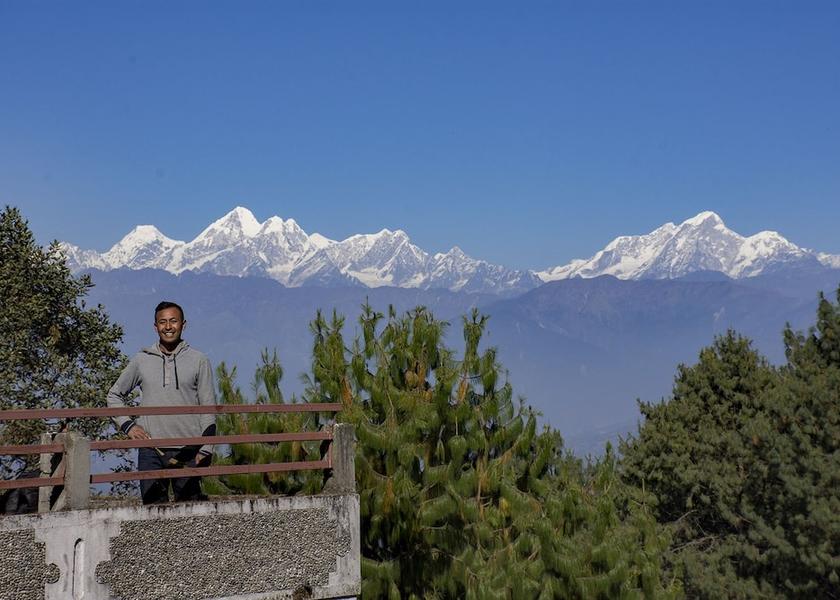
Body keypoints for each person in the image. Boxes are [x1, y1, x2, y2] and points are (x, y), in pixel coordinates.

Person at [106, 301, 217, 504]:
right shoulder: (141, 360)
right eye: (162, 322)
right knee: (152, 515)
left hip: (190, 450)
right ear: (155, 326)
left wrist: (207, 448)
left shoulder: (199, 360)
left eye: (173, 321)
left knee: (190, 514)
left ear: (184, 324)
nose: (168, 327)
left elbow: (208, 406)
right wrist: (129, 426)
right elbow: (114, 395)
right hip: (151, 450)